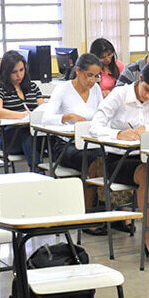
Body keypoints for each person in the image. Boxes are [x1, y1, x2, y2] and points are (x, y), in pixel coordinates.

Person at [90, 62, 149, 262]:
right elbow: (95, 125)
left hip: (147, 157)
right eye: (147, 90)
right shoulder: (119, 94)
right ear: (140, 79)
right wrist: (118, 133)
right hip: (117, 161)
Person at [41, 53, 103, 233]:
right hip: (66, 145)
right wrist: (67, 117)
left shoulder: (96, 90)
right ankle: (86, 214)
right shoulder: (63, 89)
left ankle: (112, 211)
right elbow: (46, 118)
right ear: (78, 71)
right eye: (89, 75)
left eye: (97, 76)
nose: (93, 80)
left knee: (108, 156)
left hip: (90, 141)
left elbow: (102, 115)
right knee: (93, 160)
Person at [0, 50, 44, 170]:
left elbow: (43, 110)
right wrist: (22, 116)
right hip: (10, 138)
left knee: (51, 138)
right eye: (14, 72)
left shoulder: (33, 87)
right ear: (6, 72)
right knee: (26, 134)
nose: (19, 75)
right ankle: (37, 171)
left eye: (21, 70)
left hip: (33, 133)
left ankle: (54, 175)